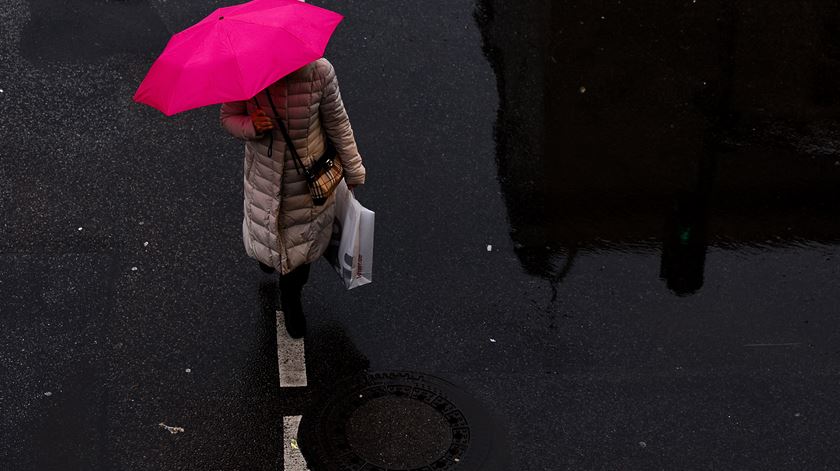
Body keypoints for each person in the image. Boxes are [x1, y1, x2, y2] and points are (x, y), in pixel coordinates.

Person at [220, 58, 366, 338]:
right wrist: (251, 125)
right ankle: (268, 259)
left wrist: (353, 168)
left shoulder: (320, 73)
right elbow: (228, 117)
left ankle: (291, 297)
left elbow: (337, 123)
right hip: (264, 182)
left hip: (307, 187)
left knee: (302, 250)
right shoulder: (246, 76)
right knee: (267, 235)